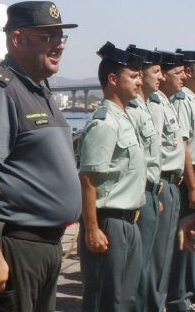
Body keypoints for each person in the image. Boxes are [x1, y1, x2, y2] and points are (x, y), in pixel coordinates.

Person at [0, 1, 82, 312]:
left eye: (61, 37)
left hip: (47, 246)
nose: (59, 45)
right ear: (17, 39)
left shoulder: (39, 91)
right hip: (19, 247)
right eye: (47, 37)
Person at [77, 42, 146, 312]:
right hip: (109, 223)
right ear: (113, 80)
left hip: (129, 221)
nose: (139, 81)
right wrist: (92, 229)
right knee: (105, 300)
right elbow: (88, 179)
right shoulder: (104, 123)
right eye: (133, 76)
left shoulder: (124, 118)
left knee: (125, 300)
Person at [125, 45, 164, 312]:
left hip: (151, 192)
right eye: (155, 71)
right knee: (137, 268)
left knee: (150, 261)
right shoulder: (133, 110)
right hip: (139, 194)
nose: (160, 77)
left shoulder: (148, 106)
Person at [158, 50, 195, 311]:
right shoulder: (182, 101)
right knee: (182, 239)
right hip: (184, 180)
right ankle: (179, 298)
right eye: (179, 72)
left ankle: (185, 295)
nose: (181, 76)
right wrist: (192, 187)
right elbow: (184, 146)